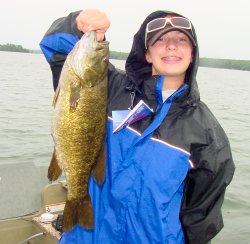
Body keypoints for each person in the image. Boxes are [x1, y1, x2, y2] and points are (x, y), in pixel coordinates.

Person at [40, 9, 235, 244]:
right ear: (148, 54)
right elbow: (57, 49)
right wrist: (79, 23)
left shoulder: (208, 135)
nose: (171, 46)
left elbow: (200, 220)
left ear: (192, 54)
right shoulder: (110, 88)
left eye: (181, 40)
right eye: (160, 40)